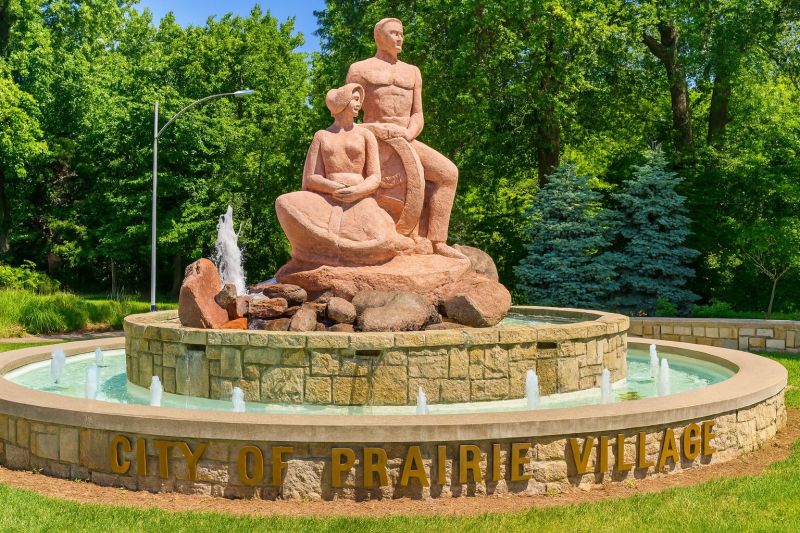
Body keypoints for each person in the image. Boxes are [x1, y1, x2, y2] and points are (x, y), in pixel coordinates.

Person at [346, 17, 466, 260]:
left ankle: (437, 240)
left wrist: (408, 134)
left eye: (401, 33)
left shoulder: (412, 72)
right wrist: (374, 131)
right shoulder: (359, 69)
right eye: (394, 33)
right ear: (379, 37)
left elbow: (418, 114)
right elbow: (349, 112)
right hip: (374, 138)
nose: (400, 38)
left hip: (406, 138)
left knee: (448, 174)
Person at [275, 83, 414, 266]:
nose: (359, 104)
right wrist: (334, 188)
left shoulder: (365, 135)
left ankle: (341, 251)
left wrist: (357, 191)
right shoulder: (322, 136)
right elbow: (311, 177)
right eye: (355, 100)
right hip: (326, 199)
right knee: (283, 202)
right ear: (343, 102)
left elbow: (375, 177)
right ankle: (321, 250)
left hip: (360, 199)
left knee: (381, 236)